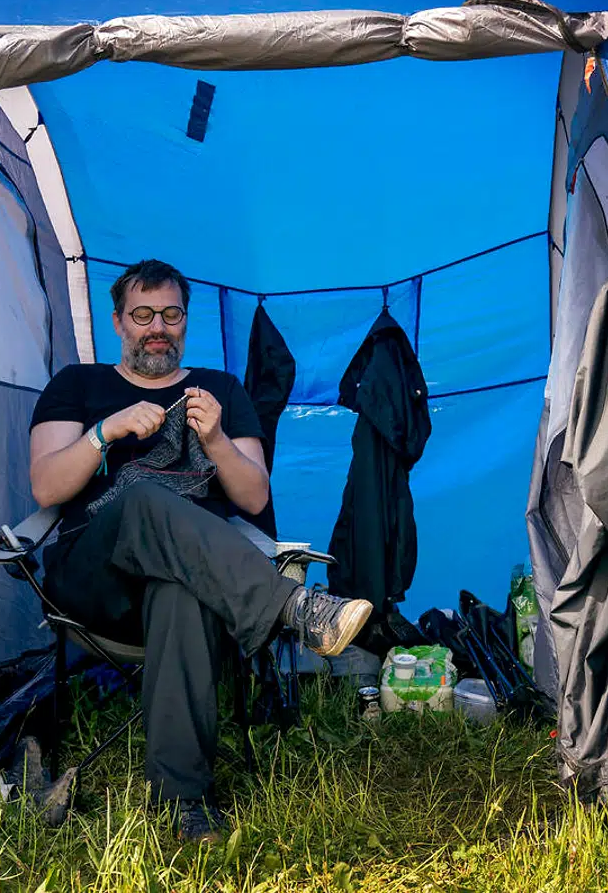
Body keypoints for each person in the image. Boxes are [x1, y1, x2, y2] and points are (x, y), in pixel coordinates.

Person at [28, 258, 373, 841]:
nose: (156, 327)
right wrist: (105, 432)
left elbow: (254, 495)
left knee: (181, 592)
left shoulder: (221, 390)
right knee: (145, 498)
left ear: (186, 321)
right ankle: (292, 607)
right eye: (142, 314)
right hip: (95, 579)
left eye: (170, 314)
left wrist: (214, 438)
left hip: (196, 578)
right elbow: (45, 486)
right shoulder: (77, 384)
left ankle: (185, 801)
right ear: (118, 322)